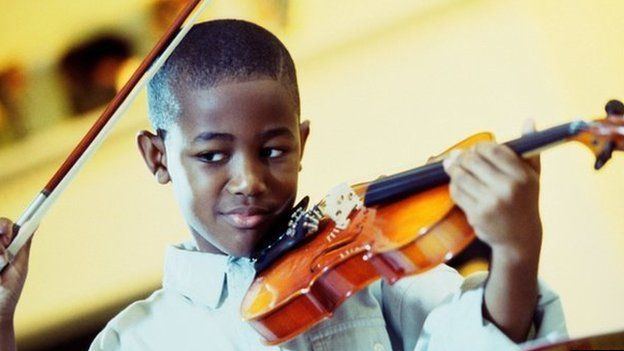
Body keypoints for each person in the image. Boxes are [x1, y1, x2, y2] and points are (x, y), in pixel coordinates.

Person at [0, 19, 566, 351]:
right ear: (158, 157)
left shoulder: (365, 273)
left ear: (303, 142)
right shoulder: (137, 340)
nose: (249, 181)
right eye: (213, 154)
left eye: (273, 150)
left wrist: (515, 251)